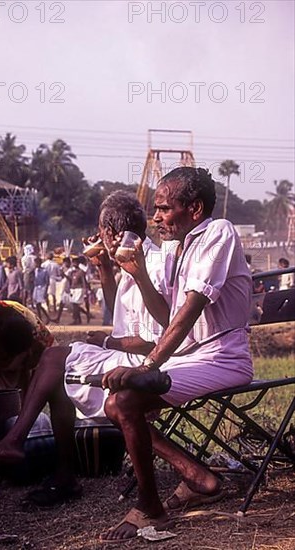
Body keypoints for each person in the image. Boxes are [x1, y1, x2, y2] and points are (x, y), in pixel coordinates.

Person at [0, 191, 166, 508]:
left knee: (55, 357)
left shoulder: (153, 265)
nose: (100, 239)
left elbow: (155, 338)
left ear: (111, 234)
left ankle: (19, 443)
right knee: (56, 366)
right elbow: (123, 320)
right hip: (132, 356)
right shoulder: (134, 260)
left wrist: (105, 343)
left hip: (150, 364)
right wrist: (103, 269)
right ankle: (60, 471)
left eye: (102, 234)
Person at [99, 167, 254, 542]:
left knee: (124, 400)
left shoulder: (218, 233)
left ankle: (151, 507)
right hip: (191, 356)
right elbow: (165, 317)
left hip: (223, 358)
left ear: (195, 208)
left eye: (165, 209)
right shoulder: (174, 249)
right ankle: (195, 474)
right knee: (114, 404)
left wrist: (149, 366)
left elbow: (190, 311)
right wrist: (138, 275)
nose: (155, 217)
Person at [32, 257, 50, 324]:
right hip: (36, 288)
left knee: (40, 304)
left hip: (42, 287)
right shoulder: (35, 270)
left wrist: (45, 291)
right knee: (37, 304)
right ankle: (40, 318)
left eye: (36, 263)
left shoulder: (44, 271)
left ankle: (46, 317)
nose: (35, 264)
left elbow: (47, 282)